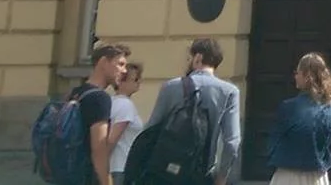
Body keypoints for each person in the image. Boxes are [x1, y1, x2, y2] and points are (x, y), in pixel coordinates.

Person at [143, 38, 244, 185]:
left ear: (198, 58)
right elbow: (232, 142)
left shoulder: (170, 87)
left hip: (165, 171)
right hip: (202, 172)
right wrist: (221, 176)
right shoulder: (229, 92)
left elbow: (151, 129)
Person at [266, 52, 331, 185]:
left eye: (297, 72)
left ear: (307, 76)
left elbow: (274, 142)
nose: (295, 76)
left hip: (288, 175)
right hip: (318, 175)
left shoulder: (288, 107)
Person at [71, 41, 131, 185]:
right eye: (120, 64)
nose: (124, 71)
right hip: (86, 177)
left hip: (69, 173)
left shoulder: (77, 92)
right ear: (104, 62)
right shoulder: (100, 98)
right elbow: (99, 148)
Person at [109, 60, 146, 185]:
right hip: (122, 166)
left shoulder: (111, 102)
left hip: (114, 166)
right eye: (135, 79)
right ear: (121, 81)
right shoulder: (125, 105)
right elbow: (112, 139)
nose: (138, 82)